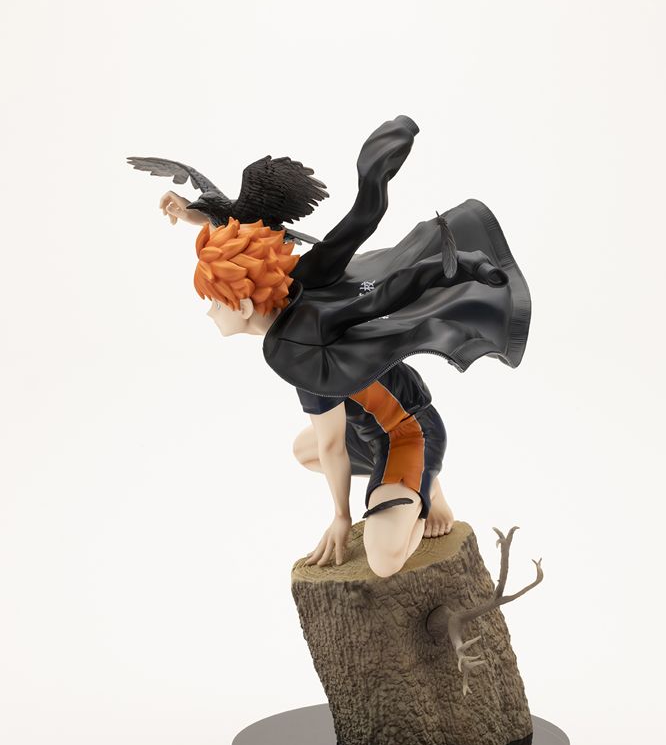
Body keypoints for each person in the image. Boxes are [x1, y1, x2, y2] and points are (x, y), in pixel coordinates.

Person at [150, 116, 531, 577]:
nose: (210, 312)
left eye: (215, 303)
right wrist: (373, 179)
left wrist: (341, 517)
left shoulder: (296, 349)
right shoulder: (296, 283)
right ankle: (415, 488)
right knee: (303, 450)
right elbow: (356, 237)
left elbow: (334, 445)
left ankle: (422, 492)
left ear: (246, 305)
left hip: (408, 431)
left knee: (383, 561)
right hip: (374, 422)